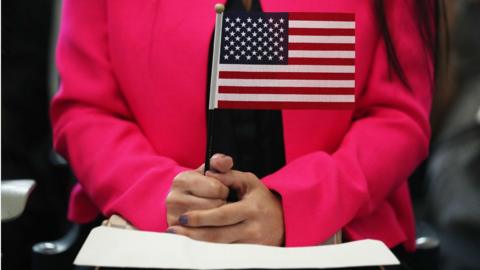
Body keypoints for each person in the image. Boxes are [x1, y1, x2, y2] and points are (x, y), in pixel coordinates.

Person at [51, 0, 435, 256]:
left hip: (339, 235)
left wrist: (294, 208)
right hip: (149, 237)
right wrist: (165, 198)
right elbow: (86, 111)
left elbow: (397, 116)